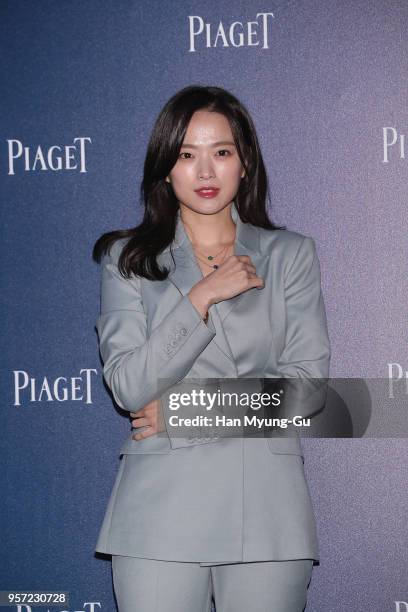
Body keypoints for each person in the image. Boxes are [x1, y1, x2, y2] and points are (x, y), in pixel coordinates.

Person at [92, 85, 331, 612]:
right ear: (165, 167)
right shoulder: (126, 259)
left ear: (244, 161)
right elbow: (130, 385)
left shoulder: (289, 255)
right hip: (159, 510)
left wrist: (185, 410)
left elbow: (308, 390)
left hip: (265, 511)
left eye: (221, 152)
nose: (205, 172)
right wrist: (200, 297)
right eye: (186, 154)